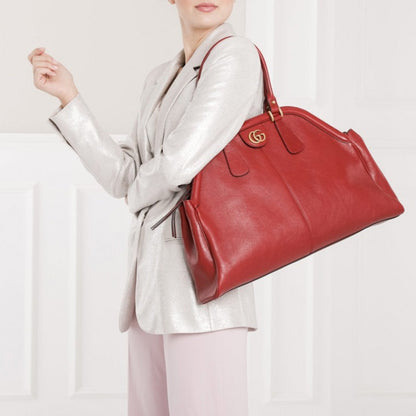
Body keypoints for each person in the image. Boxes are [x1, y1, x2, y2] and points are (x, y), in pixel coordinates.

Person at [28, 0, 264, 414]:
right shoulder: (159, 78)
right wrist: (69, 97)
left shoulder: (235, 56)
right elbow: (124, 177)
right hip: (150, 293)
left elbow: (177, 164)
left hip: (205, 292)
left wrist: (137, 191)